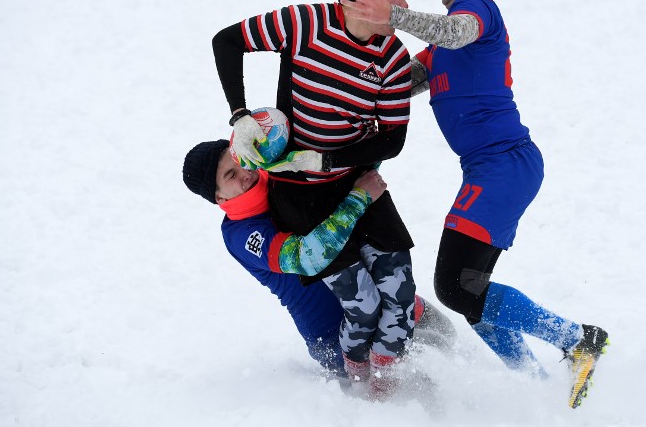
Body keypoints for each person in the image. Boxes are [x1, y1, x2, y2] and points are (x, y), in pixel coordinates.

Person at [339, 0, 609, 408]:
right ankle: (533, 381)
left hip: (504, 165)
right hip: (491, 169)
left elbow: (455, 31)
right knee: (469, 290)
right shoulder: (440, 49)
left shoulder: (478, 11)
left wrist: (393, 15)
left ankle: (578, 339)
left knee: (455, 287)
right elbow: (398, 85)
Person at [210, 0, 417, 398]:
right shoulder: (304, 23)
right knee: (363, 307)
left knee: (400, 296)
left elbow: (392, 140)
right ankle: (360, 393)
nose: (403, 5)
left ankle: (387, 390)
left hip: (357, 183)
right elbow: (225, 41)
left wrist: (327, 160)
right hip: (299, 198)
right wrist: (240, 115)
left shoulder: (394, 58)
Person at [182, 139, 456, 386]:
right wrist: (359, 199)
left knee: (447, 334)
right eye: (231, 175)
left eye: (239, 161)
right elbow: (307, 258)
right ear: (219, 197)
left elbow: (339, 167)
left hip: (381, 298)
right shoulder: (242, 234)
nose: (245, 172)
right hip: (338, 340)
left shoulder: (278, 173)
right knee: (421, 384)